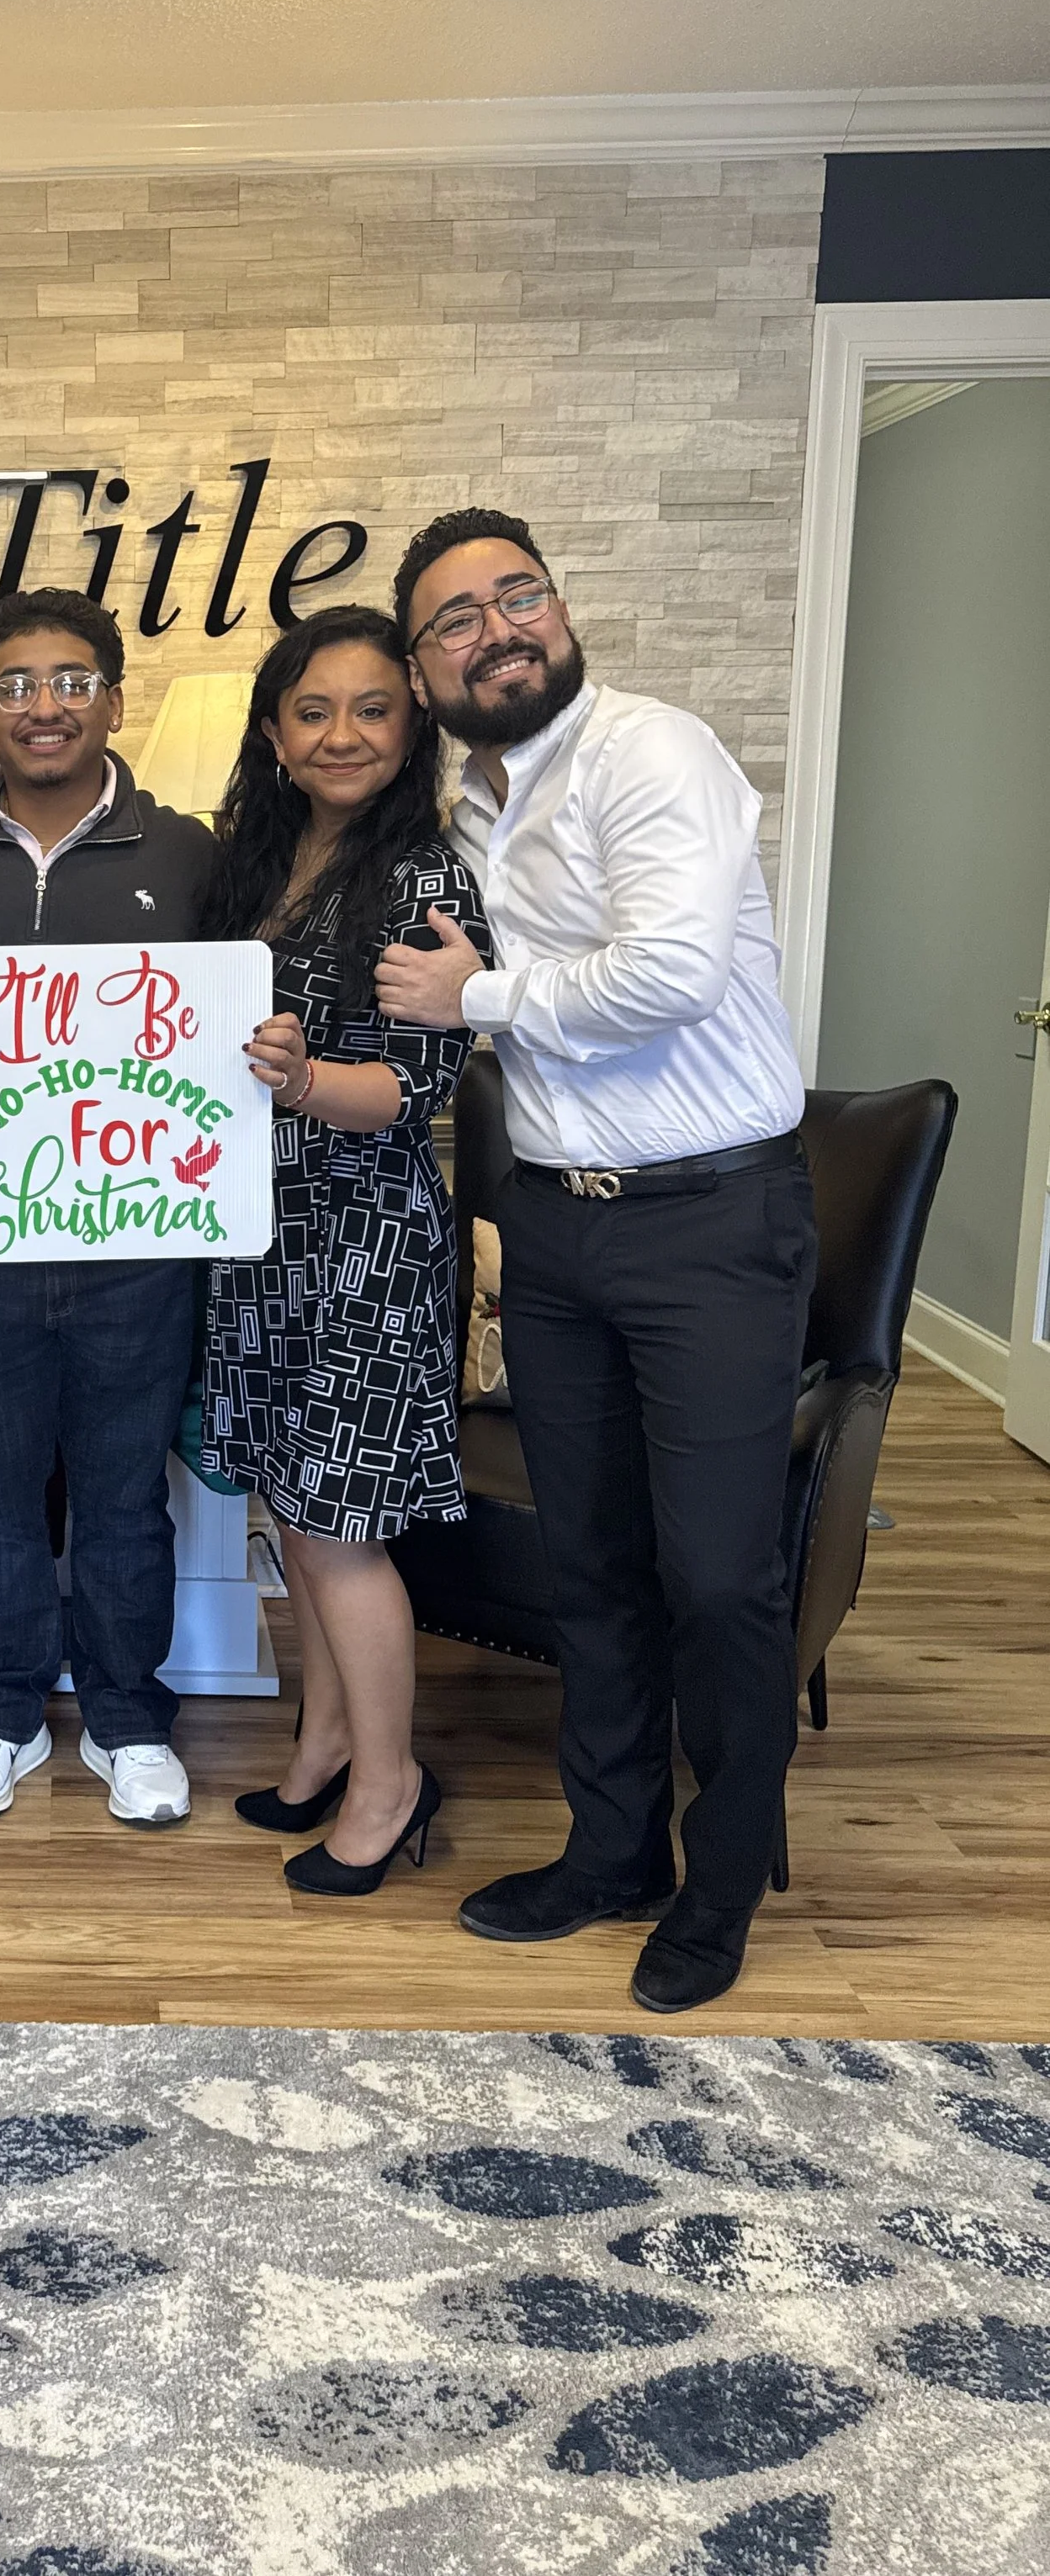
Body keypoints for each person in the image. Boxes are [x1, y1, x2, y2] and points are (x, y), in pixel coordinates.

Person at [375, 507, 814, 2013]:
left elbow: (675, 975)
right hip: (558, 1230)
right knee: (597, 1565)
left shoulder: (651, 752)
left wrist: (475, 994)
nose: (500, 630)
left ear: (558, 612)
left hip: (710, 1225)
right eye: (457, 620)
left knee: (719, 1577)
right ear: (427, 670)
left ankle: (726, 1874)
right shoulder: (477, 811)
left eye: (520, 597)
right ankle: (612, 1850)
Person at [0, 587, 218, 1827]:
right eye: (17, 684)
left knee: (127, 1499)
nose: (45, 706)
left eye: (72, 681)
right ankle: (3, 1710)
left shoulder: (187, 853)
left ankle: (129, 1717)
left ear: (115, 700)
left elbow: (231, 1021)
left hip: (138, 1247)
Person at [204, 606, 488, 1895]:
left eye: (373, 707)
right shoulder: (257, 863)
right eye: (312, 710)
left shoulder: (426, 879)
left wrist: (308, 1078)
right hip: (260, 1241)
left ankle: (391, 1784)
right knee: (297, 1510)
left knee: (340, 1528)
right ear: (272, 733)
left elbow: (414, 1088)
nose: (342, 734)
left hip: (363, 1240)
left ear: (413, 721)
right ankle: (323, 1744)